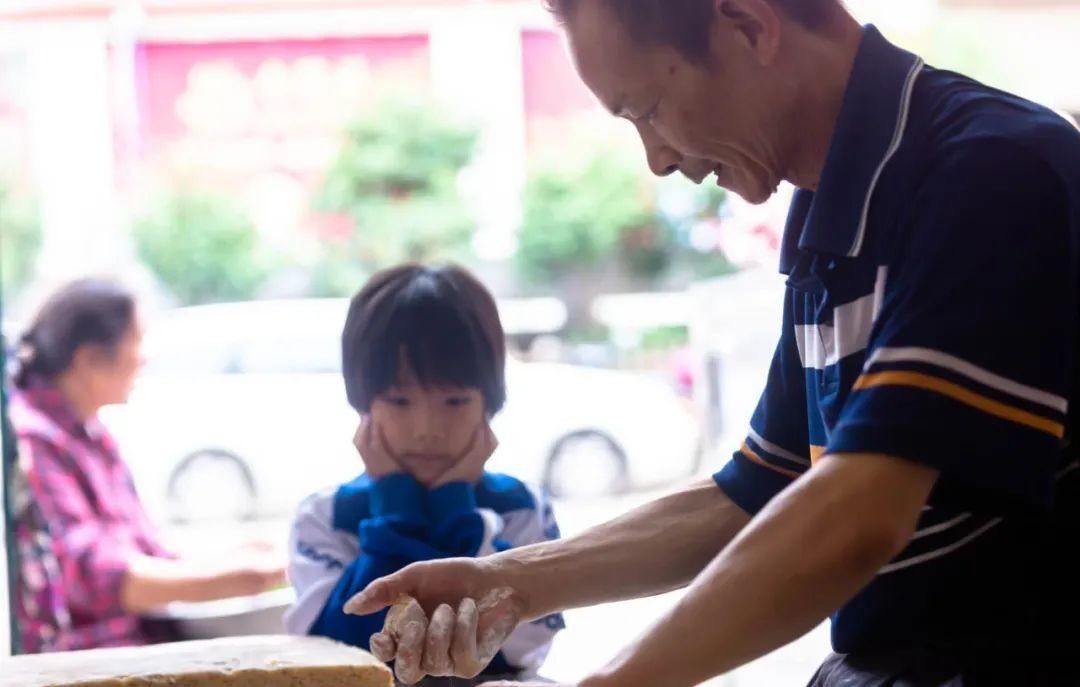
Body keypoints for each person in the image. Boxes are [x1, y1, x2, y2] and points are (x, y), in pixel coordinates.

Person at [339, 1, 1080, 686]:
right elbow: (759, 488)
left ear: (749, 25)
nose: (657, 159)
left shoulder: (993, 173)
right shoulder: (833, 211)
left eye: (649, 111)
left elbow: (858, 517)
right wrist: (508, 579)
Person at [284, 264, 564, 684]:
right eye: (399, 401)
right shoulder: (325, 517)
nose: (427, 429)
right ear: (363, 401)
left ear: (489, 401)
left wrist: (456, 506)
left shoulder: (522, 508)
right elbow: (331, 650)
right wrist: (396, 508)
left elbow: (523, 649)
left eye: (454, 401)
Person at [8, 278, 285, 653]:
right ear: (89, 359)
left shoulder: (90, 434)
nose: (144, 357)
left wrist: (231, 560)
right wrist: (238, 577)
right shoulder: (32, 439)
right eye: (135, 341)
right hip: (88, 660)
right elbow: (100, 581)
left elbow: (144, 553)